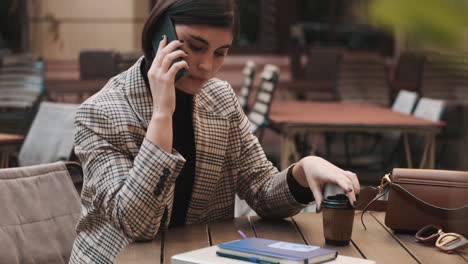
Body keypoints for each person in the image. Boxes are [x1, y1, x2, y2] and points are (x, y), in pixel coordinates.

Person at [69, 0, 360, 263]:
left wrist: (302, 172)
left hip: (199, 257)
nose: (207, 66)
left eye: (220, 53)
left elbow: (260, 190)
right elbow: (137, 225)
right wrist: (161, 115)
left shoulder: (220, 99)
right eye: (195, 47)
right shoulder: (100, 113)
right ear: (161, 33)